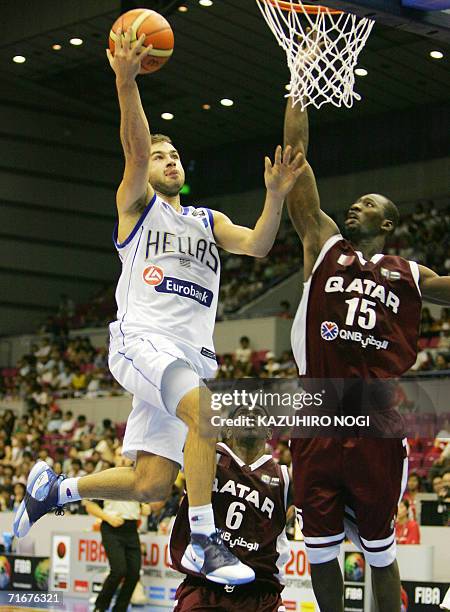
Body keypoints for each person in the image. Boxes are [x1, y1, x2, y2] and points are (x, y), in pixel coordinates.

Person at [14, 27, 303, 586]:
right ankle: (203, 541)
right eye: (161, 155)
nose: (169, 160)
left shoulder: (206, 220)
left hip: (187, 356)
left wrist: (274, 197)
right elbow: (135, 147)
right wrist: (126, 83)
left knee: (150, 484)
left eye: (176, 156)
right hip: (141, 340)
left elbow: (260, 244)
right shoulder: (136, 208)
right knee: (209, 416)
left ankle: (57, 489)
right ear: (146, 169)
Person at [284, 94, 450, 612]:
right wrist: (296, 92)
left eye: (370, 204)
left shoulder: (409, 273)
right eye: (357, 201)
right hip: (318, 414)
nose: (357, 204)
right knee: (322, 550)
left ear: (387, 224)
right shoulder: (325, 243)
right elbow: (296, 161)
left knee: (380, 549)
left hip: (376, 421)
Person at [169, 404, 290, 612]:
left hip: (259, 592)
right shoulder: (207, 455)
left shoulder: (285, 477)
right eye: (242, 414)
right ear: (228, 429)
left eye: (258, 415)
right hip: (204, 587)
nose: (250, 417)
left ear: (269, 432)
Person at [83, 453, 150, 612]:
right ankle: (100, 607)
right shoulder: (108, 480)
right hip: (112, 528)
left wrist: (144, 507)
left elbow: (144, 506)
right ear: (115, 459)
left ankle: (120, 609)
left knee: (133, 574)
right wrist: (108, 517)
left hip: (132, 528)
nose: (126, 458)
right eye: (122, 455)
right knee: (119, 570)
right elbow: (90, 505)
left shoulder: (139, 481)